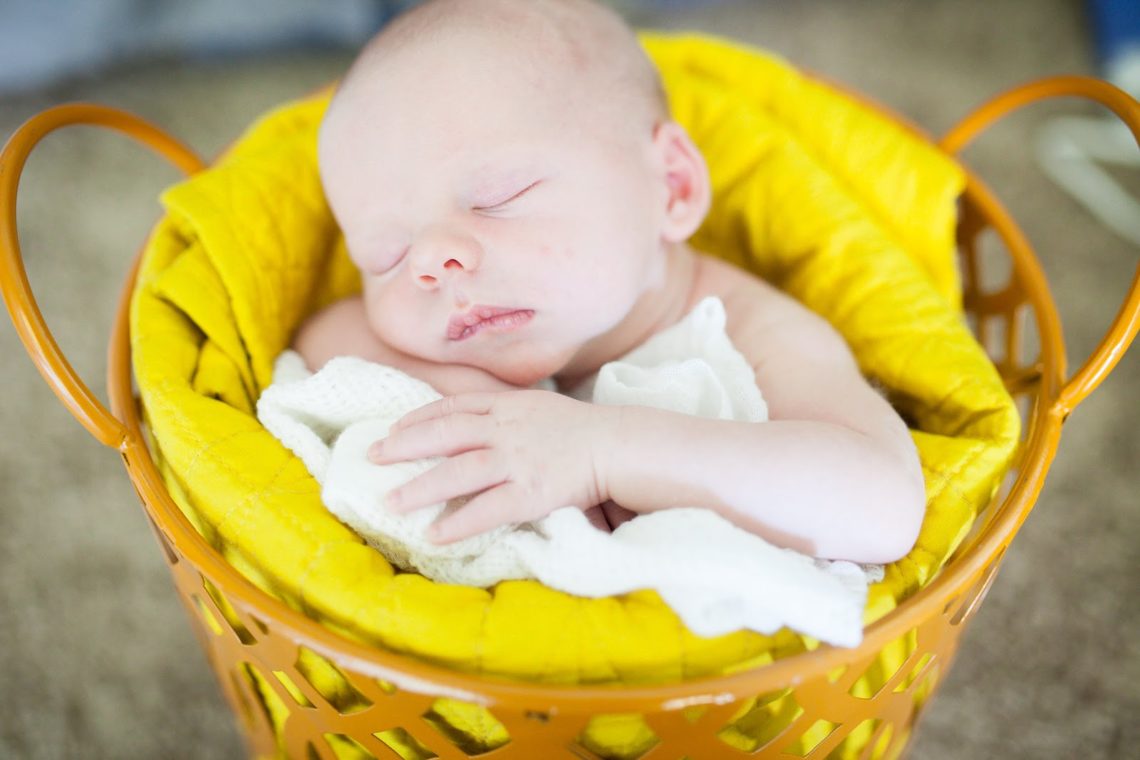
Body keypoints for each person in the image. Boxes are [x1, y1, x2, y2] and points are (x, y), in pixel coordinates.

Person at [294, 0, 925, 563]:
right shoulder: (451, 346)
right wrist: (474, 406)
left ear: (671, 186)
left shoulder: (752, 334)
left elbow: (882, 503)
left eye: (496, 197)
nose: (431, 262)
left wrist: (604, 451)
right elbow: (323, 334)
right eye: (386, 255)